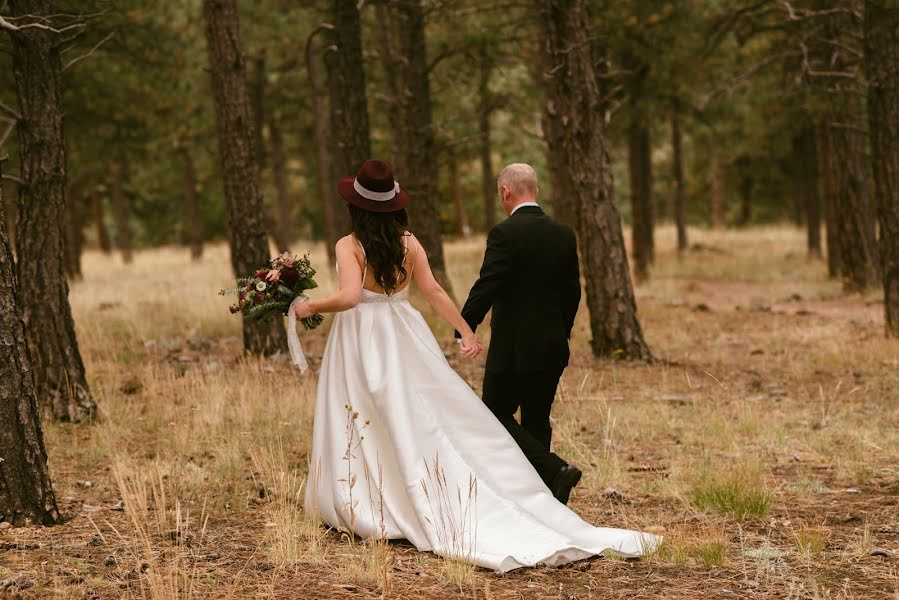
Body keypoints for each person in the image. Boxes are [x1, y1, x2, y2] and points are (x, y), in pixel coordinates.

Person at [295, 159, 659, 571]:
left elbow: (348, 297)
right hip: (403, 329)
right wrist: (464, 330)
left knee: (364, 410)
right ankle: (513, 481)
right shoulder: (408, 241)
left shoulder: (350, 244)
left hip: (363, 334)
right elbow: (432, 291)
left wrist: (310, 304)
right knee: (410, 410)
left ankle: (372, 496)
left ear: (356, 206)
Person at [457, 163, 583, 505]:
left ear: (505, 193)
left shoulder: (504, 234)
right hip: (553, 346)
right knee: (537, 420)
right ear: (536, 191)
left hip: (513, 350)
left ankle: (555, 471)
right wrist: (562, 331)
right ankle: (544, 499)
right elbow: (573, 292)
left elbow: (488, 285)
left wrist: (464, 327)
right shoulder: (564, 234)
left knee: (494, 413)